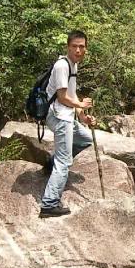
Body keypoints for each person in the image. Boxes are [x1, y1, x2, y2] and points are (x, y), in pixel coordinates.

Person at [40, 30, 96, 218]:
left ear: (86, 48)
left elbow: (71, 94)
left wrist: (82, 116)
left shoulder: (73, 65)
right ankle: (49, 204)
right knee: (65, 161)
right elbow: (63, 97)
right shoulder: (62, 65)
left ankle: (51, 162)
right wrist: (80, 105)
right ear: (68, 46)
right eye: (74, 46)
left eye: (81, 46)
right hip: (58, 116)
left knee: (86, 139)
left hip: (67, 115)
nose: (78, 50)